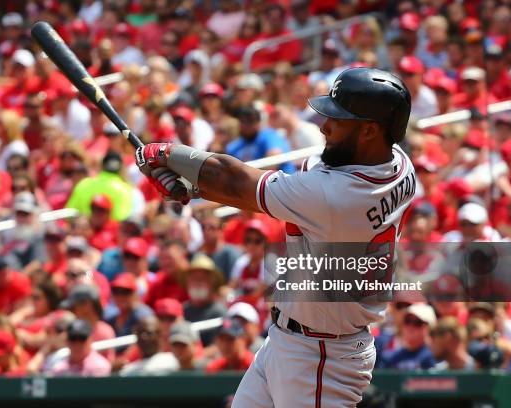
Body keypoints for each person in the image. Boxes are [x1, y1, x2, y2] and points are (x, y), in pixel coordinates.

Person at [136, 67, 414, 407]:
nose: (325, 126)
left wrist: (165, 154)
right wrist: (195, 187)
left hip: (320, 356)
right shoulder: (399, 164)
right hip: (296, 340)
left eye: (338, 120)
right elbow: (262, 189)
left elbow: (238, 183)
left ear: (371, 130)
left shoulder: (336, 194)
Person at [46, 319, 111, 377]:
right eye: (73, 339)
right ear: (67, 341)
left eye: (82, 339)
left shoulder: (99, 366)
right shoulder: (59, 368)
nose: (77, 344)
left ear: (91, 339)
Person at [380, 304, 436, 370]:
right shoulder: (390, 357)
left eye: (418, 322)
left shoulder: (437, 356)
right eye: (407, 321)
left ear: (429, 328)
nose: (410, 327)